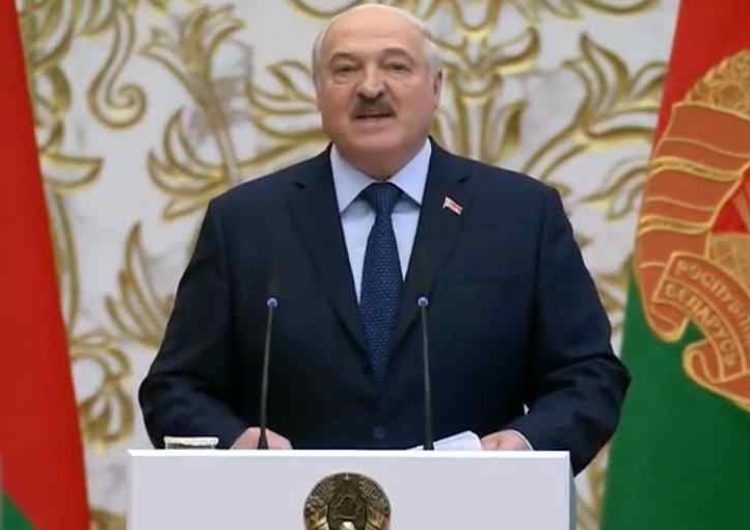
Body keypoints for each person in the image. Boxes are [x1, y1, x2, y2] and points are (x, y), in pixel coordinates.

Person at [139, 3, 630, 474]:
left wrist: (524, 443)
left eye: (396, 67)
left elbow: (588, 375)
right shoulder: (245, 222)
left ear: (436, 87)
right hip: (288, 509)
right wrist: (235, 442)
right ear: (318, 92)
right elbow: (176, 388)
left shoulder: (521, 214)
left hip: (473, 506)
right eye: (345, 70)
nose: (370, 87)